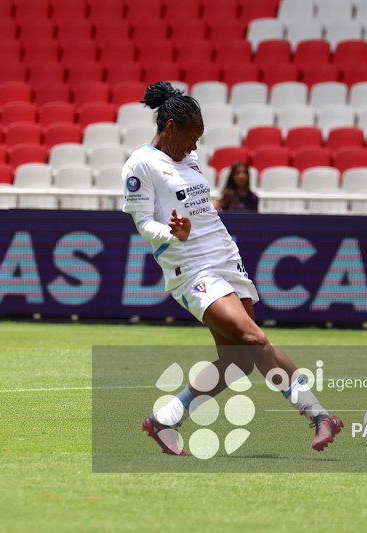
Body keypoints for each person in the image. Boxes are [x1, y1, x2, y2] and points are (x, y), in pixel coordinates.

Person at [122, 81, 343, 455]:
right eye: (192, 137)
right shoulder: (140, 165)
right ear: (171, 127)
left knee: (238, 362)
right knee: (254, 339)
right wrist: (173, 234)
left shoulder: (189, 159)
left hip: (226, 258)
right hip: (192, 269)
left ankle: (163, 420)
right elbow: (143, 224)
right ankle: (319, 415)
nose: (195, 146)